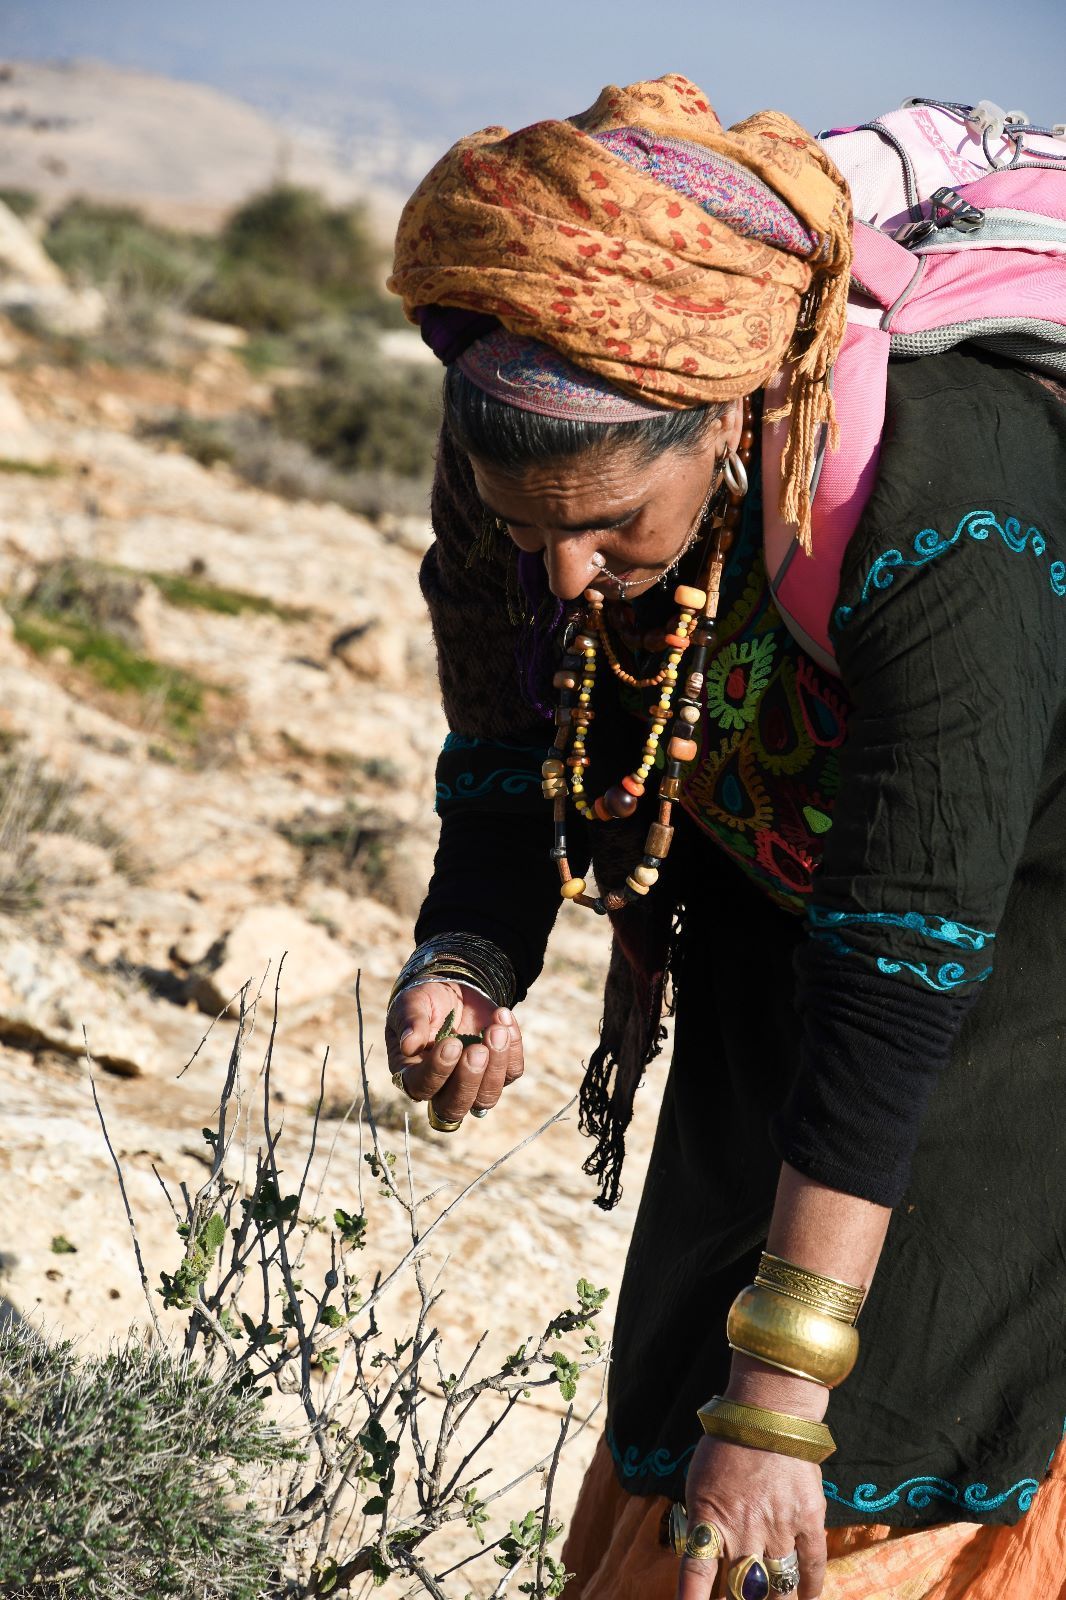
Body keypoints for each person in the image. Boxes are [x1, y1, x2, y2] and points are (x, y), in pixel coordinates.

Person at [385, 74, 1066, 1600]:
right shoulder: (530, 441)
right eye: (527, 531)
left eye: (608, 528)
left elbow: (904, 968)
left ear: (737, 419)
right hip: (768, 951)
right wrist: (472, 948)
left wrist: (776, 1406)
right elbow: (508, 734)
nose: (564, 574)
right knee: (684, 1384)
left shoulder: (949, 516)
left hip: (1022, 991)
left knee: (895, 1417)